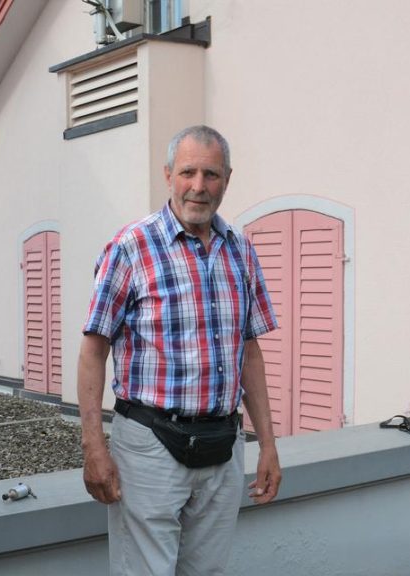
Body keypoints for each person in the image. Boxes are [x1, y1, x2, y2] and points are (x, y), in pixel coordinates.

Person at [77, 125, 282, 575]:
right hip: (149, 447)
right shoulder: (130, 247)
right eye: (188, 171)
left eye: (211, 174)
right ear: (168, 174)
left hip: (223, 448)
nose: (199, 186)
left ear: (227, 179)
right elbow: (93, 351)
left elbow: (249, 354)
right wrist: (94, 448)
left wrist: (267, 445)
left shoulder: (241, 252)